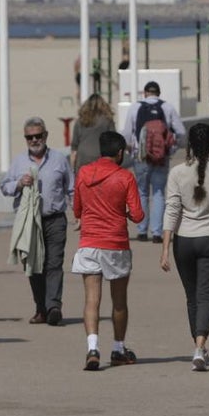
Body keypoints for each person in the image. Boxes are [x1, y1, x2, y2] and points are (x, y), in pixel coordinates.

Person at [160, 123, 209, 371]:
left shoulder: (177, 172)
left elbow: (172, 210)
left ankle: (199, 346)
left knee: (192, 296)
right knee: (207, 295)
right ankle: (199, 347)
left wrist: (165, 249)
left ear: (190, 145)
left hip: (184, 241)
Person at [71, 131, 144, 371]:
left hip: (89, 242)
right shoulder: (125, 177)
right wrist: (124, 212)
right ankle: (118, 348)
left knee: (92, 299)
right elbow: (138, 215)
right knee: (119, 301)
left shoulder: (83, 173)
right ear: (120, 152)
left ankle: (92, 348)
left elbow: (77, 209)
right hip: (115, 243)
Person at [2, 117, 73, 326]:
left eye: (38, 136)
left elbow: (72, 188)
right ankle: (41, 308)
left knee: (54, 263)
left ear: (46, 135)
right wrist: (18, 183)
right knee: (33, 266)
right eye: (29, 137)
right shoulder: (18, 161)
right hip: (29, 223)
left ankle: (53, 307)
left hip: (55, 219)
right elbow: (5, 187)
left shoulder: (60, 159)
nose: (34, 140)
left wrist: (79, 213)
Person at [121, 80, 185, 242]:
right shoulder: (167, 107)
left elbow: (127, 133)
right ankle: (157, 233)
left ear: (145, 93)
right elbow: (181, 132)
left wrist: (130, 150)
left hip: (141, 156)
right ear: (159, 93)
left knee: (142, 192)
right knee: (158, 193)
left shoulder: (135, 107)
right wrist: (171, 149)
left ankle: (142, 231)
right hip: (161, 157)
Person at [70, 94, 116, 175]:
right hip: (101, 158)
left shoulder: (80, 121)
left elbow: (74, 148)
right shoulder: (107, 120)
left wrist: (72, 168)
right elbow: (113, 141)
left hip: (83, 158)